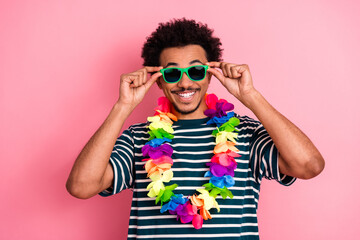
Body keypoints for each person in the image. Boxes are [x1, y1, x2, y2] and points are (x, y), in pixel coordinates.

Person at [66, 18, 325, 239]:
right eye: (171, 74)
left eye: (196, 71)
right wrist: (122, 107)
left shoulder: (246, 133)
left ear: (211, 73)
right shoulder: (138, 138)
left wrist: (250, 95)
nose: (185, 82)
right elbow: (81, 187)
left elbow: (309, 166)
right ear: (159, 82)